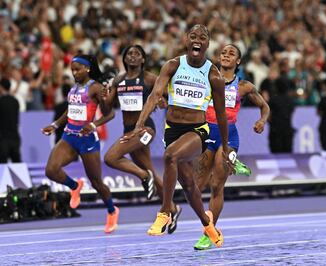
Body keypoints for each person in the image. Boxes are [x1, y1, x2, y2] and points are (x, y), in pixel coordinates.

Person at [121, 25, 232, 247]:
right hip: (172, 130)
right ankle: (208, 226)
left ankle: (165, 212)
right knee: (190, 186)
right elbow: (154, 96)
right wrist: (139, 125)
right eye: (193, 36)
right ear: (186, 40)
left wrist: (226, 148)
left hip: (198, 132)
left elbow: (221, 115)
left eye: (202, 37)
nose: (197, 40)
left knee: (170, 156)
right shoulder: (173, 66)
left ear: (207, 45)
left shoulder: (213, 75)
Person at [193, 44, 270, 250]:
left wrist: (262, 120)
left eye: (231, 53)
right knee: (196, 188)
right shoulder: (206, 79)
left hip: (229, 138)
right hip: (206, 134)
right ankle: (235, 165)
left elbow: (265, 106)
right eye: (223, 52)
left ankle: (209, 232)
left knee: (217, 186)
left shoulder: (243, 86)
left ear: (238, 62)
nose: (226, 55)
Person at [102, 45, 181, 234]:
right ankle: (173, 208)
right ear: (124, 58)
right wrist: (105, 96)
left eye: (137, 54)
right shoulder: (119, 80)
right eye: (129, 53)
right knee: (152, 172)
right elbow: (107, 109)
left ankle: (144, 177)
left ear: (143, 60)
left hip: (145, 129)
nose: (133, 56)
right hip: (129, 129)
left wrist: (163, 101)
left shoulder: (149, 78)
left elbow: (168, 94)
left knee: (110, 158)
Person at [41, 55, 119, 233]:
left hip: (87, 140)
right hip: (69, 136)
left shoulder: (96, 88)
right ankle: (75, 186)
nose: (74, 73)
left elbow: (110, 114)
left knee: (97, 182)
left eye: (78, 69)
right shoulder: (75, 88)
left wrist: (93, 125)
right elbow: (70, 108)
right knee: (51, 170)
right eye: (72, 69)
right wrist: (55, 125)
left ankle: (112, 211)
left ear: (88, 69)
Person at [0, 78, 21, 163]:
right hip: (15, 137)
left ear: (1, 87)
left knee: (2, 164)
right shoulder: (15, 101)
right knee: (17, 163)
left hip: (3, 138)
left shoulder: (0, 102)